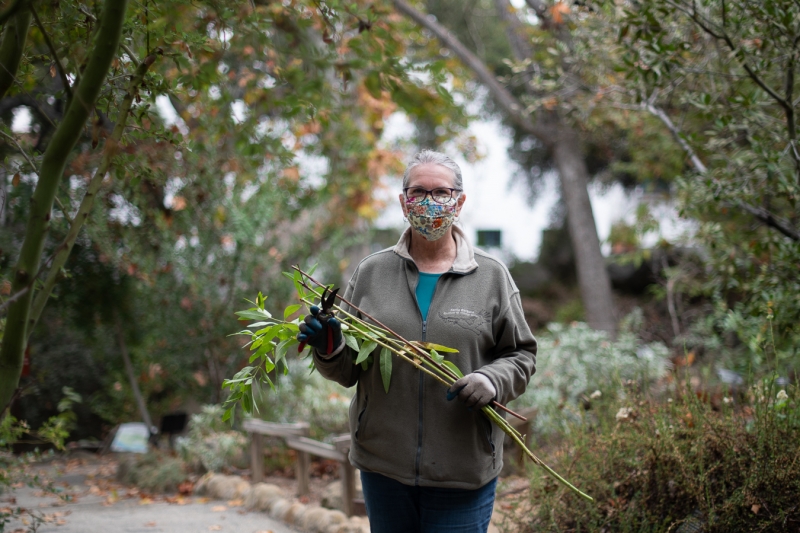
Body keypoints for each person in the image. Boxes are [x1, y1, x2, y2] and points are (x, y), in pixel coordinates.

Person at [297, 150, 537, 533]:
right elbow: (348, 371)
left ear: (459, 201)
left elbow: (521, 354)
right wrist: (330, 348)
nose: (429, 202)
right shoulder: (372, 272)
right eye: (418, 192)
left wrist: (492, 380)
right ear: (402, 201)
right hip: (384, 464)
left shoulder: (491, 277)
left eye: (441, 192)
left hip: (463, 467)